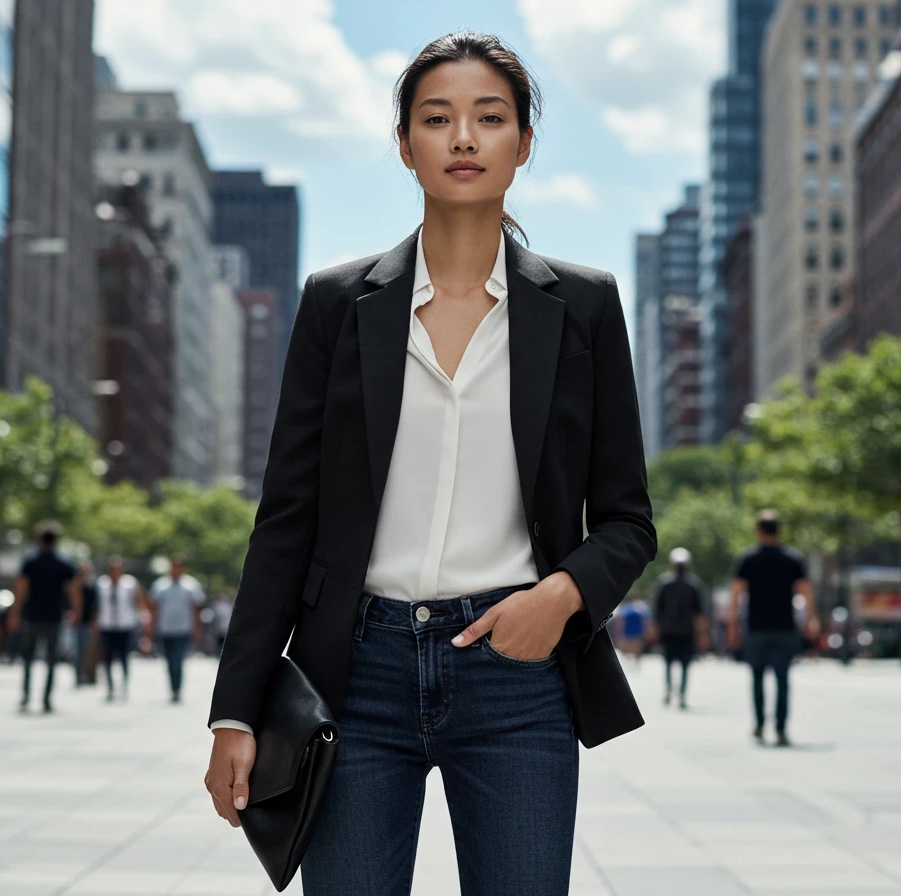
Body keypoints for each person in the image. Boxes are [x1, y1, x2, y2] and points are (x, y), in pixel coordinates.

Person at [203, 31, 656, 896]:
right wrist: (237, 708)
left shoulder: (585, 306)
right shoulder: (338, 305)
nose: (463, 138)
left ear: (522, 146)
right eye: (437, 118)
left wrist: (558, 598)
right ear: (405, 144)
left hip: (519, 678)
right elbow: (286, 520)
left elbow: (628, 520)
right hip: (354, 677)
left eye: (490, 119)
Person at [726, 511, 819, 747]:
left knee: (756, 677)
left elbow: (735, 595)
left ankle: (758, 725)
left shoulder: (748, 559)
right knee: (782, 680)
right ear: (779, 530)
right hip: (784, 628)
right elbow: (806, 592)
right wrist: (810, 620)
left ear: (758, 531)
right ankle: (780, 729)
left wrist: (732, 626)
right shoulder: (791, 559)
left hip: (756, 628)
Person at [7, 523, 80, 713]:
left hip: (32, 616)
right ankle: (46, 699)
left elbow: (21, 590)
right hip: (54, 616)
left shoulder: (30, 561)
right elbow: (73, 591)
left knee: (28, 659)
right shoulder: (63, 563)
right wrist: (76, 611)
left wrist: (14, 613)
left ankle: (26, 696)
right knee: (51, 660)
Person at [654, 547, 707, 709]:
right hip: (686, 630)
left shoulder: (664, 582)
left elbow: (657, 609)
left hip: (668, 629)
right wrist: (703, 633)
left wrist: (656, 627)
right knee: (685, 663)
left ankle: (670, 689)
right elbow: (699, 612)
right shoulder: (694, 584)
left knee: (669, 662)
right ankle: (682, 693)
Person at [149, 556, 205, 703]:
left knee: (177, 660)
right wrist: (151, 629)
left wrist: (197, 630)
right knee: (169, 661)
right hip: (165, 629)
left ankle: (177, 689)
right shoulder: (160, 585)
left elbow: (196, 609)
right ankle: (173, 688)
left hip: (183, 629)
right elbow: (154, 608)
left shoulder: (191, 585)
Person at [94, 556, 145, 702]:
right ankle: (110, 686)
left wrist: (141, 619)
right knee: (107, 658)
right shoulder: (102, 584)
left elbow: (137, 601)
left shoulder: (129, 584)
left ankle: (124, 684)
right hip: (107, 625)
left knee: (124, 657)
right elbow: (96, 605)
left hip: (125, 626)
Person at [74, 560, 99, 686]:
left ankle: (90, 677)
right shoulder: (74, 586)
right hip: (75, 624)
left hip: (88, 623)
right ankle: (78, 677)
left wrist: (95, 622)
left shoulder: (92, 587)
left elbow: (95, 606)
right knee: (76, 652)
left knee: (89, 652)